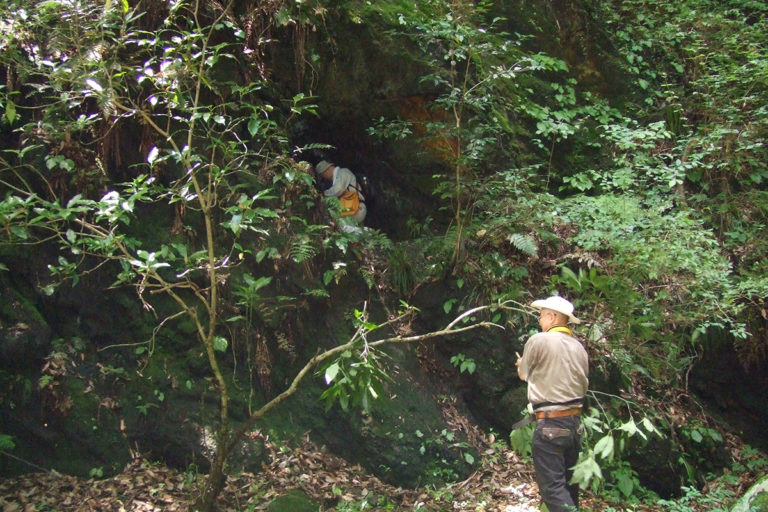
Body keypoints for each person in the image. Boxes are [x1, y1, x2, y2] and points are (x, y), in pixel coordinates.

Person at [516, 295, 588, 512]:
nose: (539, 321)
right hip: (575, 424)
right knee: (568, 486)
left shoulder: (539, 340)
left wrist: (521, 364)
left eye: (541, 315)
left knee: (553, 489)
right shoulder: (579, 347)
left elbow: (524, 374)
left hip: (550, 425)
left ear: (553, 317)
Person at [314, 160, 367, 232]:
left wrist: (323, 194)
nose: (325, 178)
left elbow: (338, 189)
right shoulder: (337, 177)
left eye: (323, 175)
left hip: (356, 208)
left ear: (327, 170)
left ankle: (369, 232)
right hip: (350, 209)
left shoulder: (343, 172)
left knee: (346, 229)